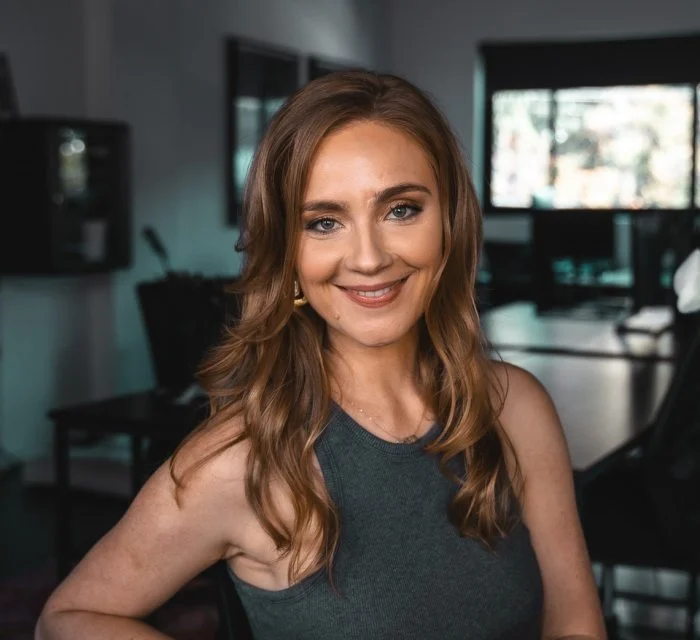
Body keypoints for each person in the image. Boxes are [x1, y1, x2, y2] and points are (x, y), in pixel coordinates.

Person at [36, 70, 605, 639]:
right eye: (324, 223)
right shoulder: (241, 462)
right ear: (287, 251)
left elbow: (576, 624)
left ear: (450, 222)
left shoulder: (514, 408)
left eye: (400, 210)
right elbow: (67, 619)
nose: (368, 258)